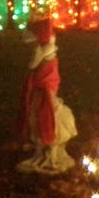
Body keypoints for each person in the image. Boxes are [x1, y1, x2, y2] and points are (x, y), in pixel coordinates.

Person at [15, 16, 76, 174]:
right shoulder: (49, 45)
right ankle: (43, 148)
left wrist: (36, 54)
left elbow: (33, 65)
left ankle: (49, 147)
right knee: (41, 113)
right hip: (44, 84)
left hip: (45, 85)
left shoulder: (43, 49)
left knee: (45, 114)